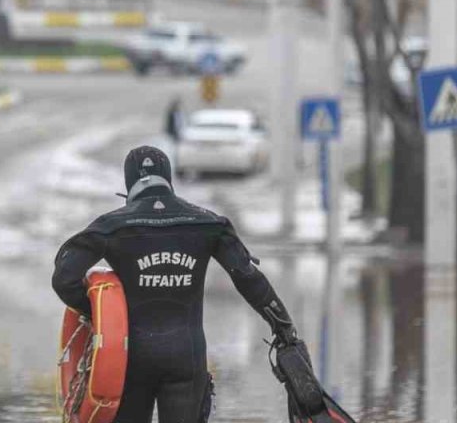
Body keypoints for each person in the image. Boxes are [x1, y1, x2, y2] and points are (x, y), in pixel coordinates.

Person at [52, 146, 307, 423]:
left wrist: (102, 314)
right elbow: (247, 277)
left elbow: (64, 277)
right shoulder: (208, 223)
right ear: (168, 178)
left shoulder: (112, 227)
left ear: (128, 184)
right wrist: (284, 329)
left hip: (130, 361)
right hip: (187, 358)